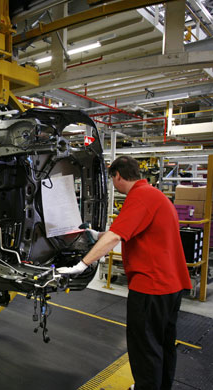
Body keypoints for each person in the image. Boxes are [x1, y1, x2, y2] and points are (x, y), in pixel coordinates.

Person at [58, 156, 192, 390]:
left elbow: (116, 236)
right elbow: (126, 231)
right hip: (171, 286)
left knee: (145, 348)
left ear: (118, 176)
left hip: (151, 287)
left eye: (112, 180)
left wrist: (82, 264)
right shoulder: (154, 195)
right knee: (163, 345)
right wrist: (96, 233)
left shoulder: (139, 197)